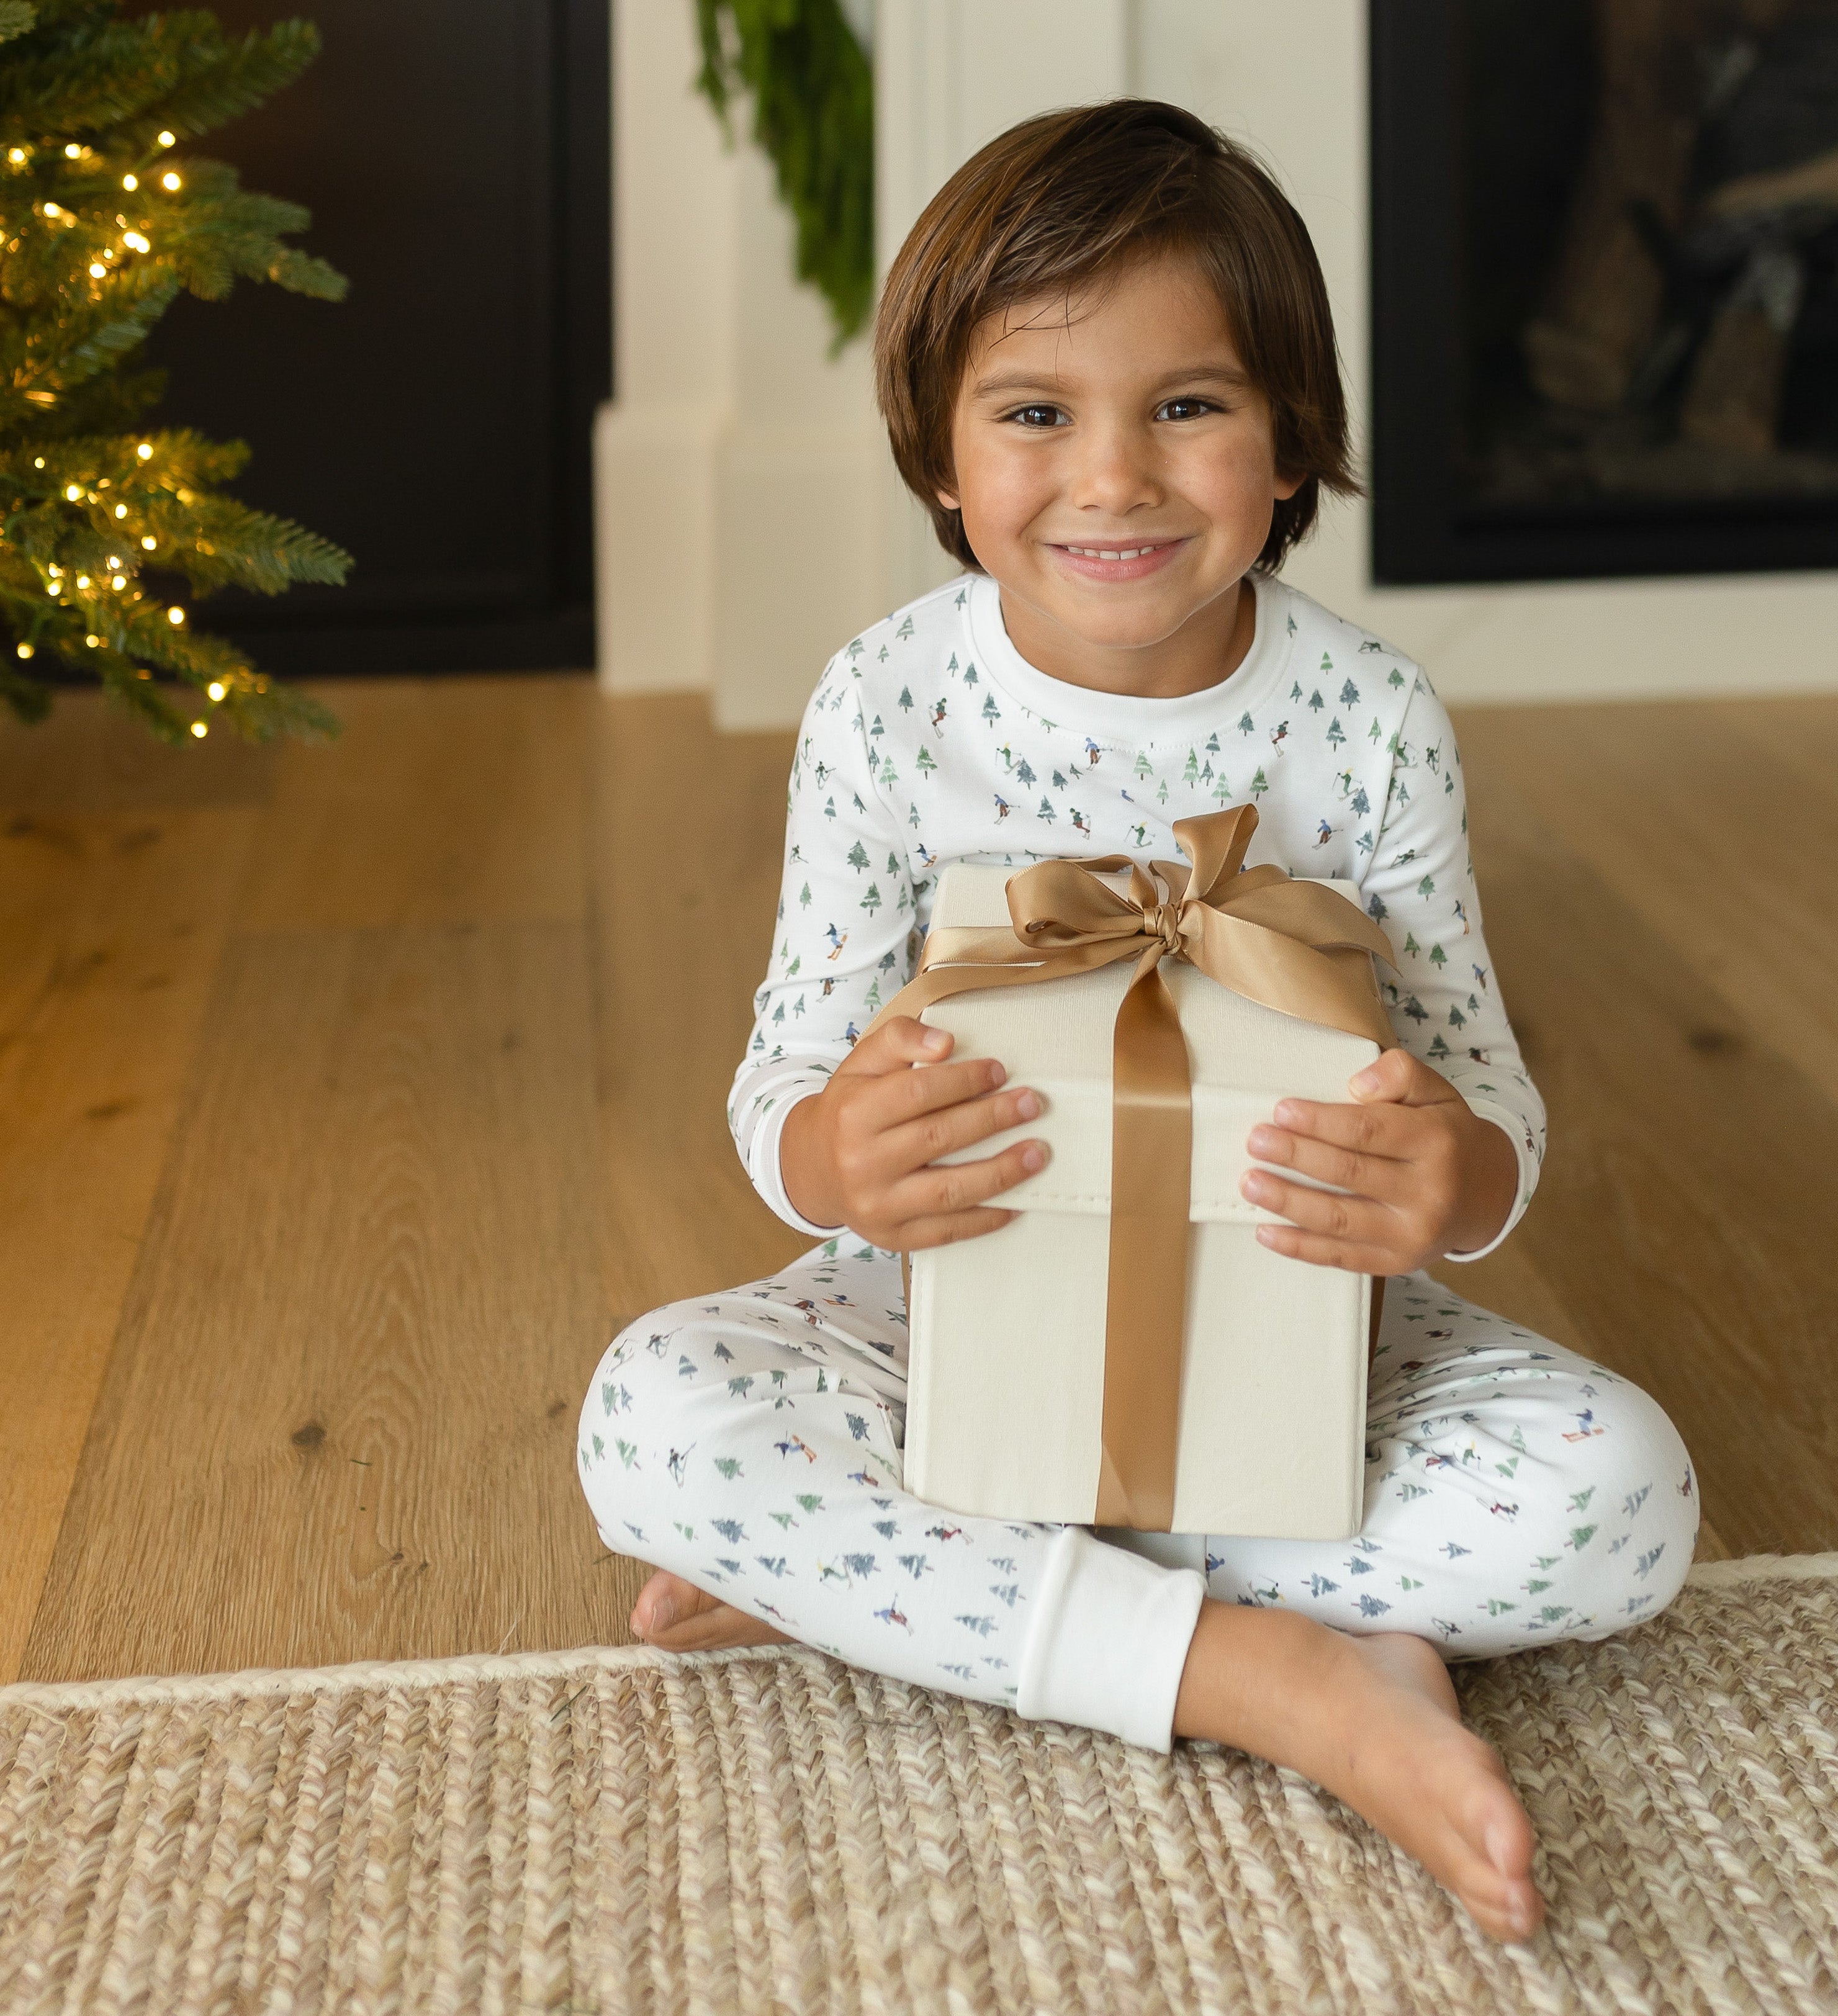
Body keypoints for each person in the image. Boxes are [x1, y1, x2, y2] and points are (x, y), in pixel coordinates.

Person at [579, 100, 1696, 1944]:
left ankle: (922, 1581)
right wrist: (829, 1156)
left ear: (1288, 447)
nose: (1113, 478)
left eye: (1188, 405)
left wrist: (1450, 1183)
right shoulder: (886, 706)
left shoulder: (1369, 721)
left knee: (1625, 1498)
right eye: (1035, 412)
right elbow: (785, 1073)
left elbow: (1484, 1096)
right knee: (657, 1424)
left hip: (1306, 1318)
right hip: (928, 1312)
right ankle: (1299, 1680)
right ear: (940, 457)